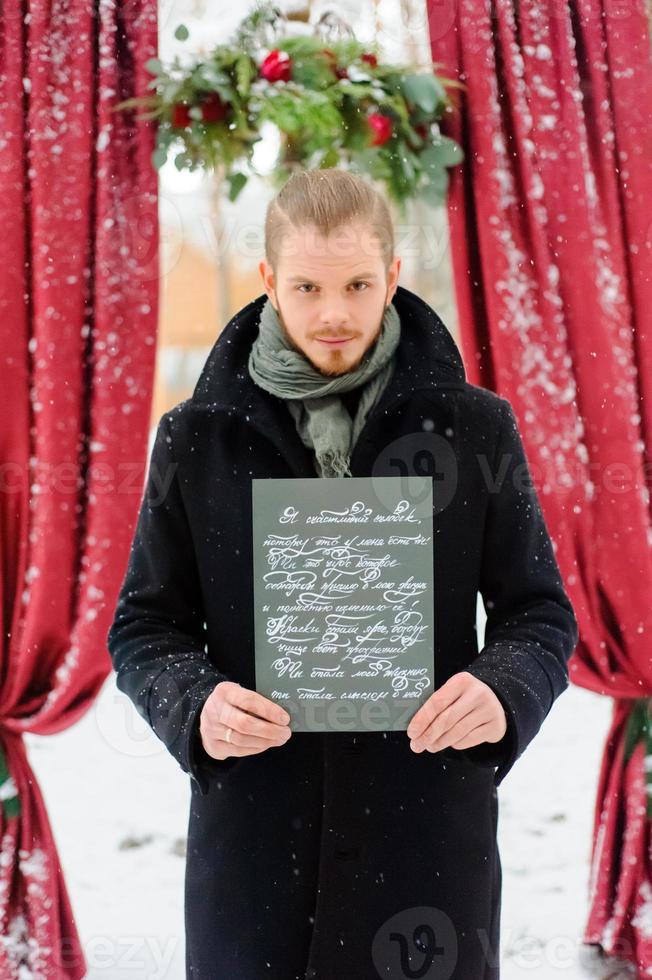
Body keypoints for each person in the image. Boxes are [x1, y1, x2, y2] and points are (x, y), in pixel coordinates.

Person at [107, 168, 578, 979]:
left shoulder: (476, 427)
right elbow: (145, 627)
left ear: (395, 276)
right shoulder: (194, 439)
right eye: (308, 286)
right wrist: (194, 702)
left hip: (426, 845)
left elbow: (538, 615)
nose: (333, 313)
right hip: (255, 849)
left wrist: (502, 688)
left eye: (359, 284)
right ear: (267, 281)